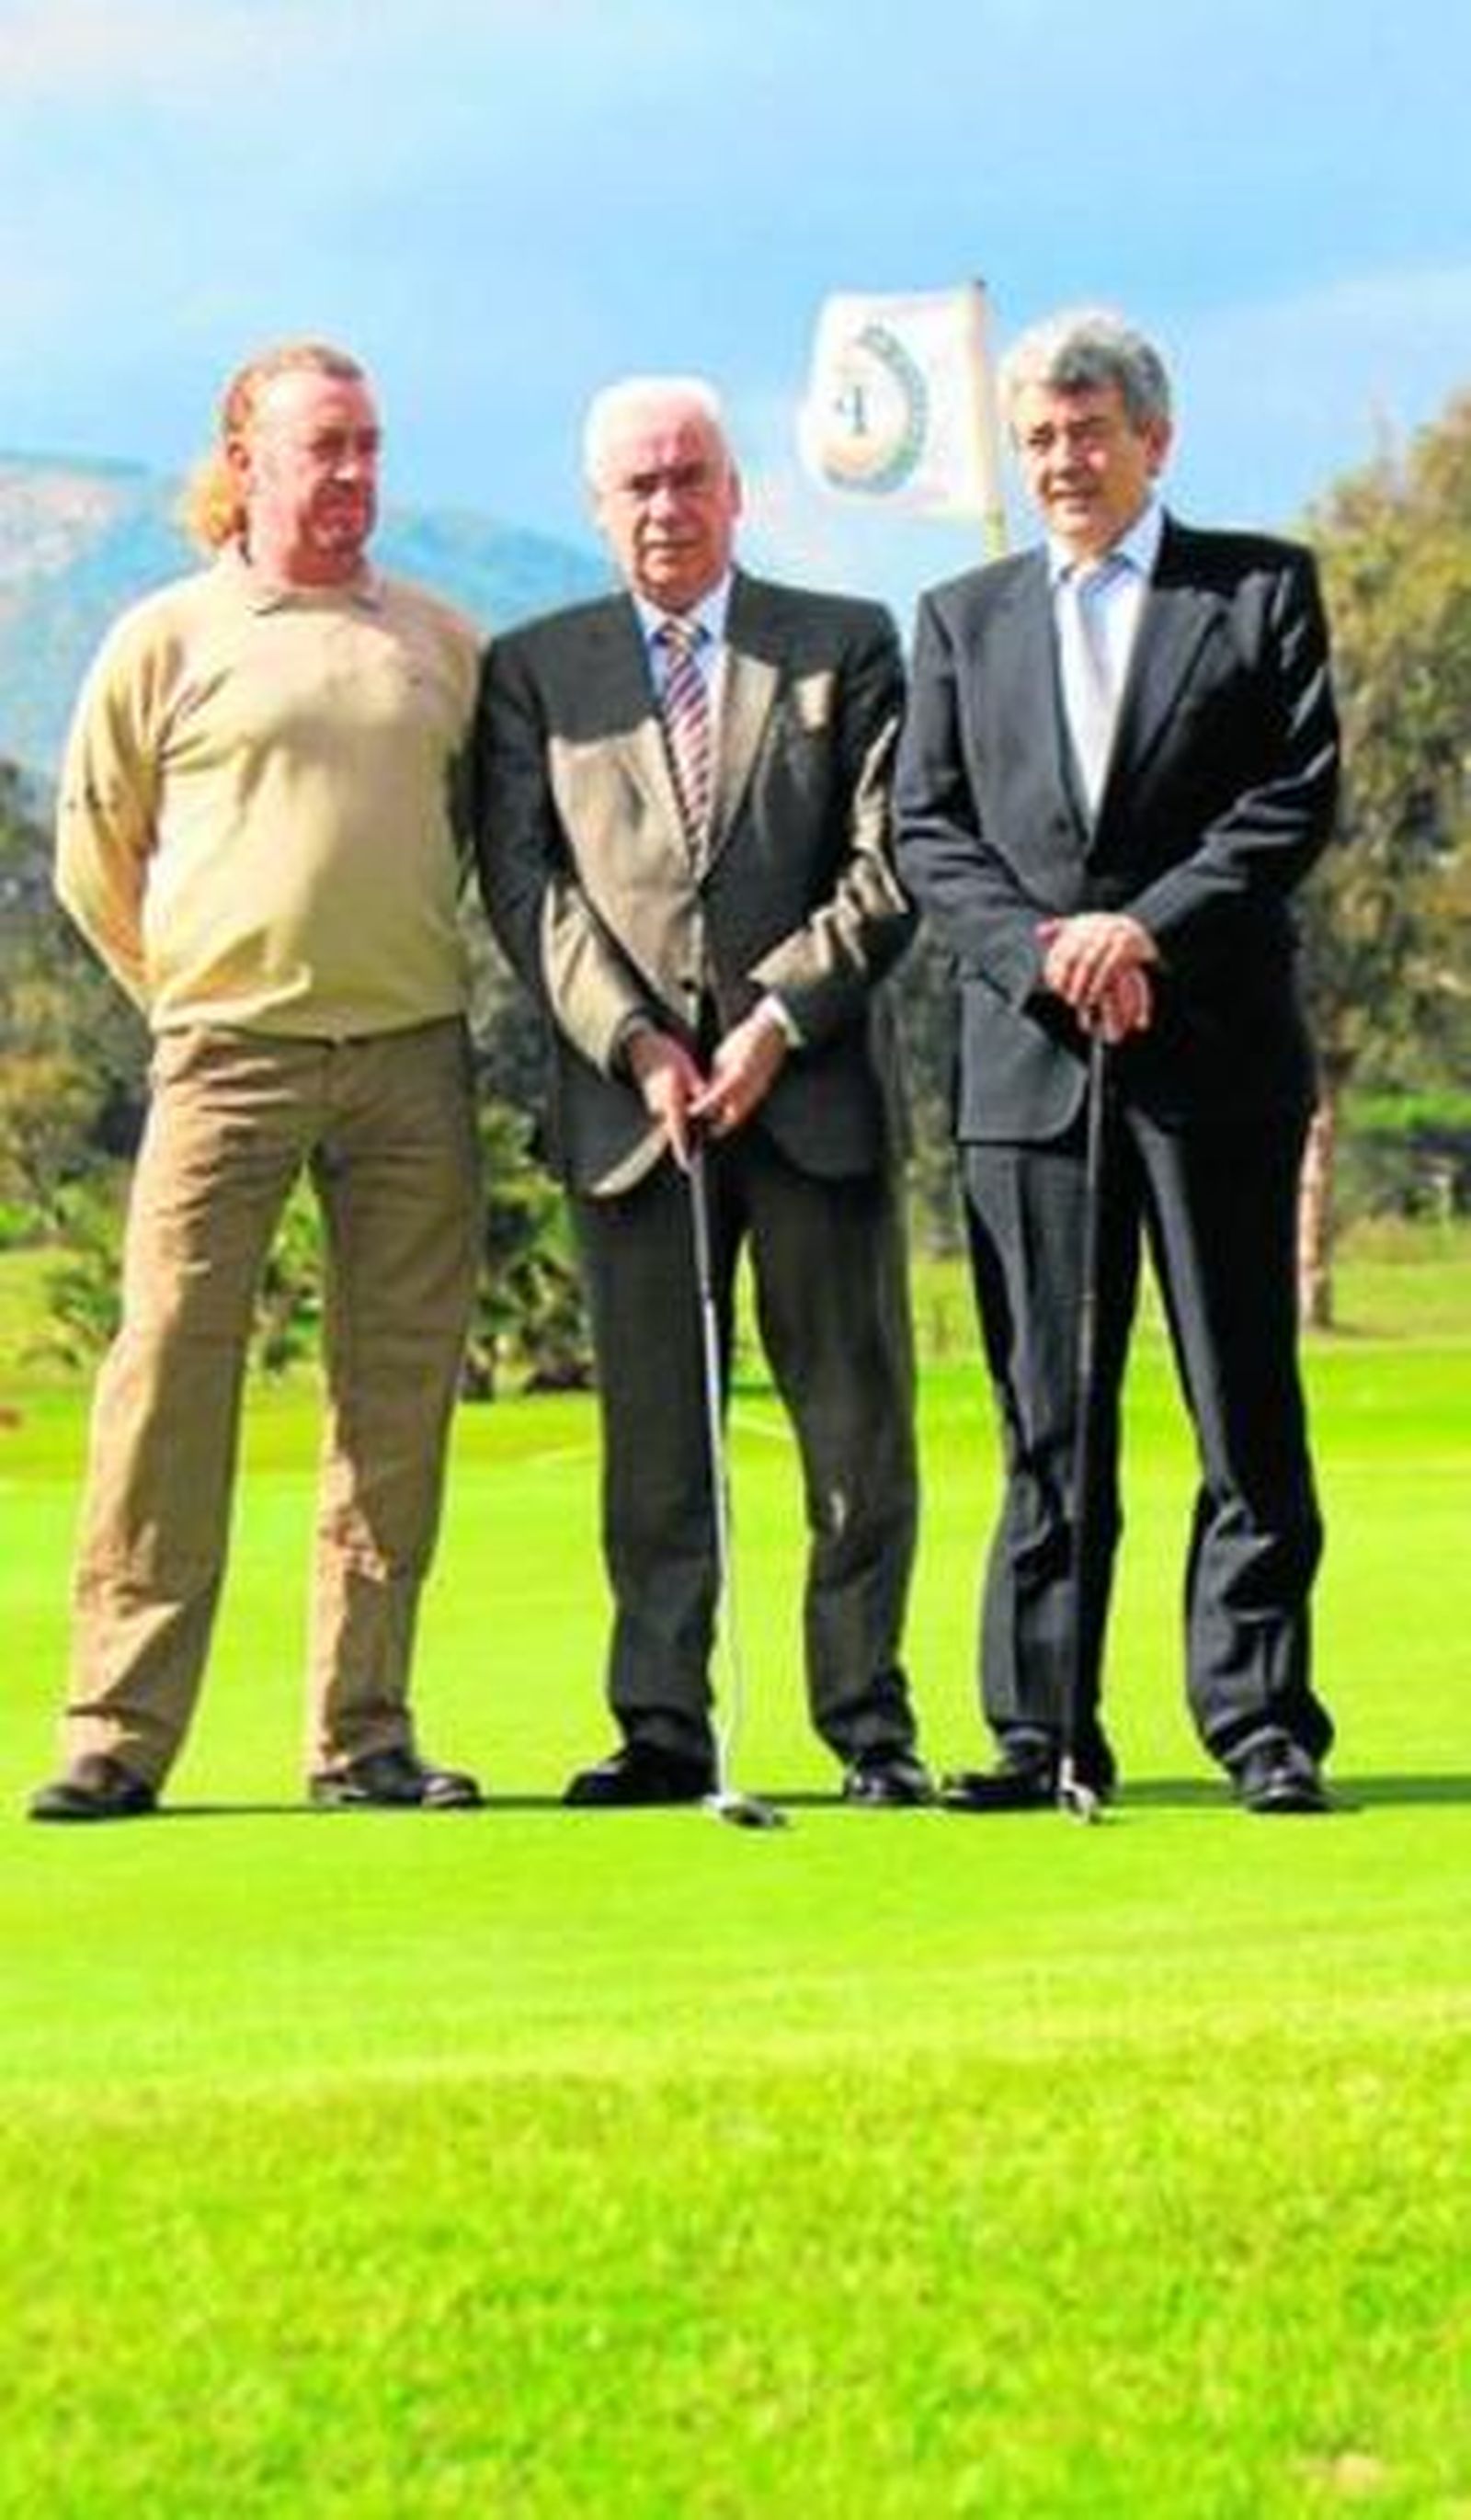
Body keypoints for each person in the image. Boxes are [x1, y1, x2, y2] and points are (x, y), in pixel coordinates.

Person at [29, 340, 485, 1820]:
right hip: (224, 1058)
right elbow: (96, 857)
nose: (352, 474)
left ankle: (364, 1733)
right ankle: (117, 1730)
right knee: (165, 1378)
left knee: (397, 1397)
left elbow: (475, 835)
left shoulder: (437, 640)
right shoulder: (166, 637)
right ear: (246, 454)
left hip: (412, 1052)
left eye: (368, 445)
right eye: (322, 448)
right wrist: (193, 993)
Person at [895, 307, 1340, 1817]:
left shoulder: (1259, 590)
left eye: (1089, 431)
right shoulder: (960, 617)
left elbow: (1291, 798)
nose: (1064, 461)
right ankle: (1043, 1731)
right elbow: (927, 831)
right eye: (1039, 439)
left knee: (1242, 1406)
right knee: (1048, 1419)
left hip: (1211, 1055)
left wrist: (1140, 932)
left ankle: (1262, 1720)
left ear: (1155, 438)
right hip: (1031, 1072)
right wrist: (1044, 950)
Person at [474, 376, 929, 1807]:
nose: (666, 507)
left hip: (810, 1098)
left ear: (738, 491)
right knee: (658, 1445)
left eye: (690, 478)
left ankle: (867, 1719)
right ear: (597, 508)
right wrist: (637, 1040)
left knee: (852, 1432)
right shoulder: (537, 668)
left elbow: (890, 860)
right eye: (638, 486)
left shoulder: (842, 644)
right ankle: (666, 1723)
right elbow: (526, 884)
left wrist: (779, 1017)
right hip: (636, 1119)